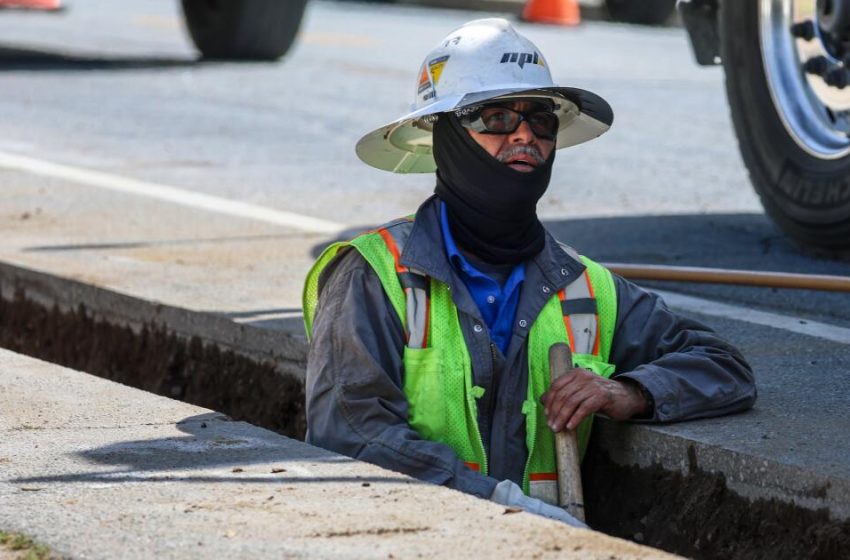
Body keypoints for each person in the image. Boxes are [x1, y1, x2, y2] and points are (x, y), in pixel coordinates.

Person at [302, 18, 756, 527]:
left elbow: (723, 368)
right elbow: (349, 433)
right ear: (445, 135)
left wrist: (630, 392)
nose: (524, 134)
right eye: (494, 117)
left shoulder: (585, 287)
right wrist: (499, 502)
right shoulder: (374, 274)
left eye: (541, 119)